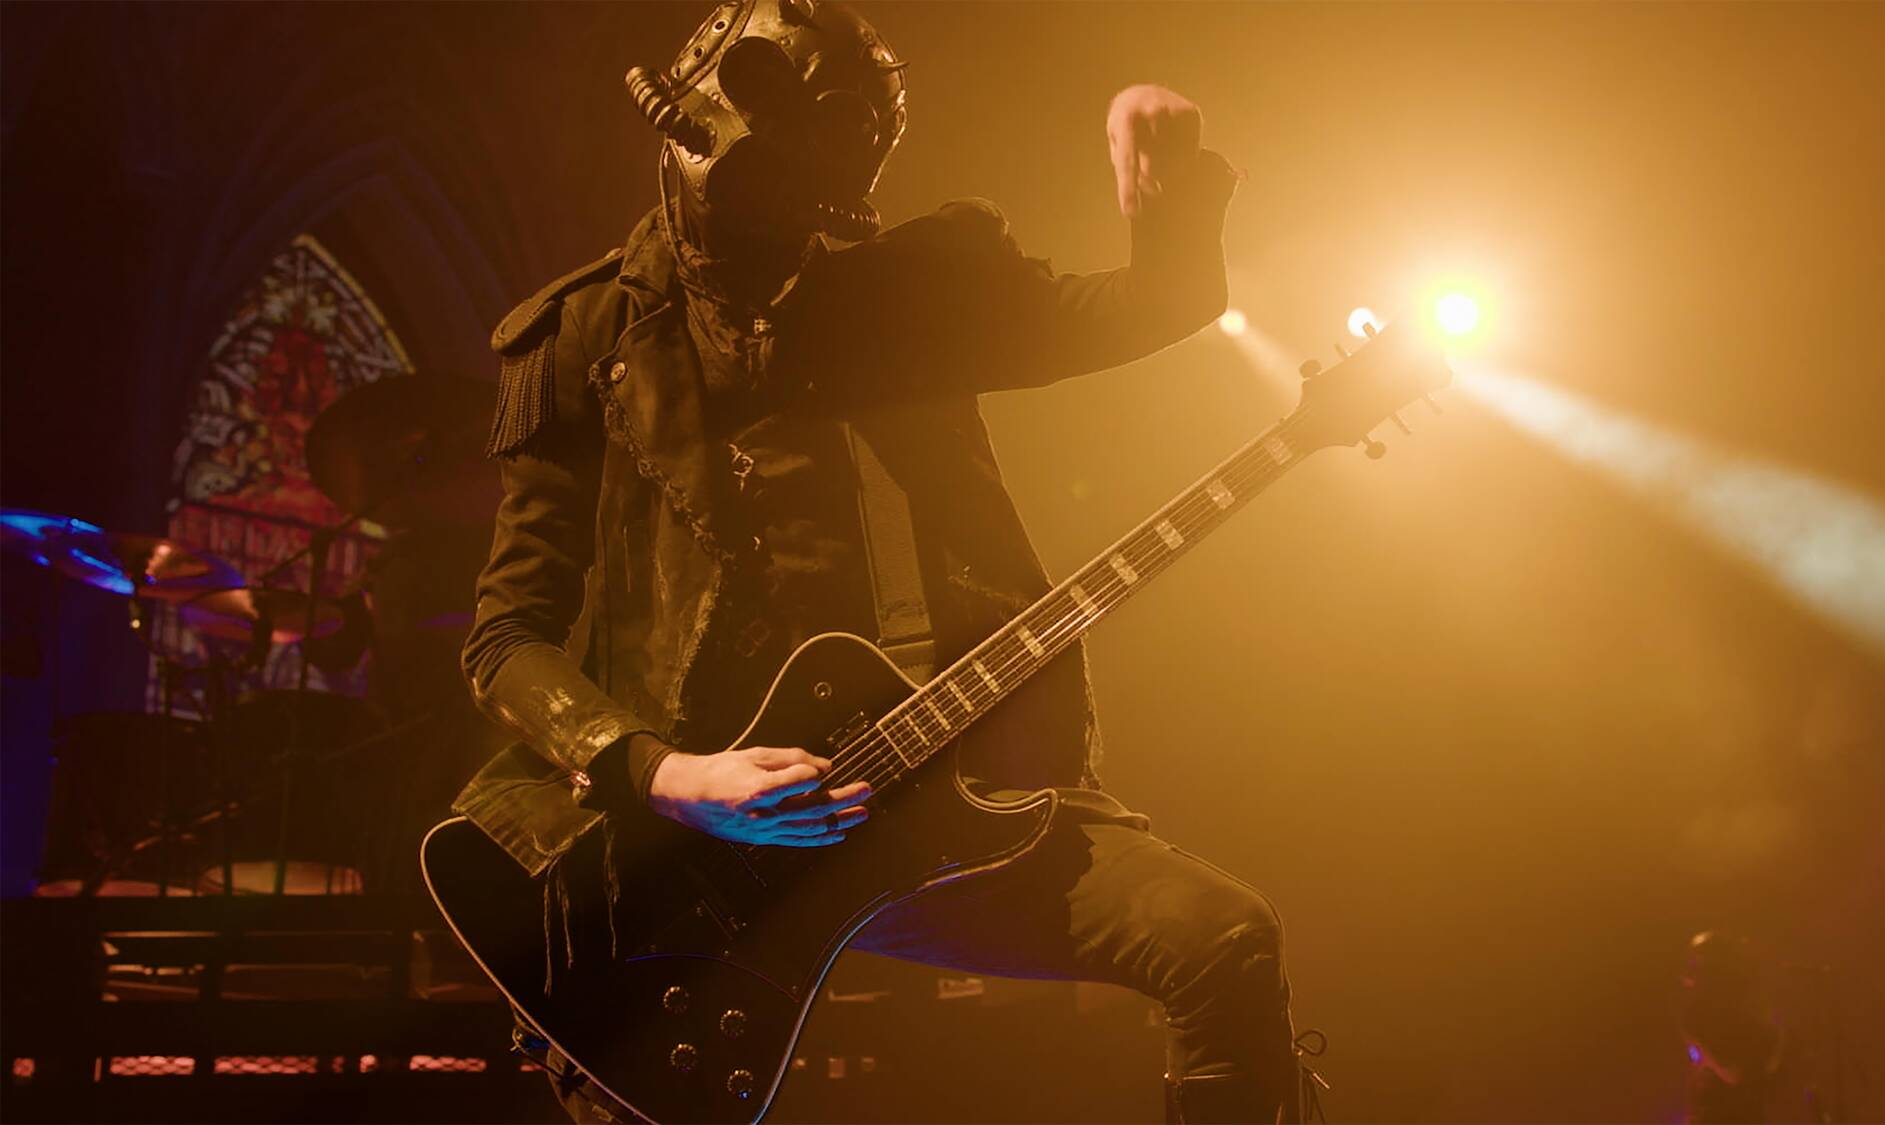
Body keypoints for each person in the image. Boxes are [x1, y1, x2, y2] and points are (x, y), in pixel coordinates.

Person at [454, 1, 1301, 1119]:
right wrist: (670, 774)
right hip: (684, 864)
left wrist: (1169, 199)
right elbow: (503, 639)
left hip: (946, 796)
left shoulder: (912, 292)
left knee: (1220, 939)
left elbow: (1152, 304)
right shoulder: (579, 342)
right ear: (680, 121)